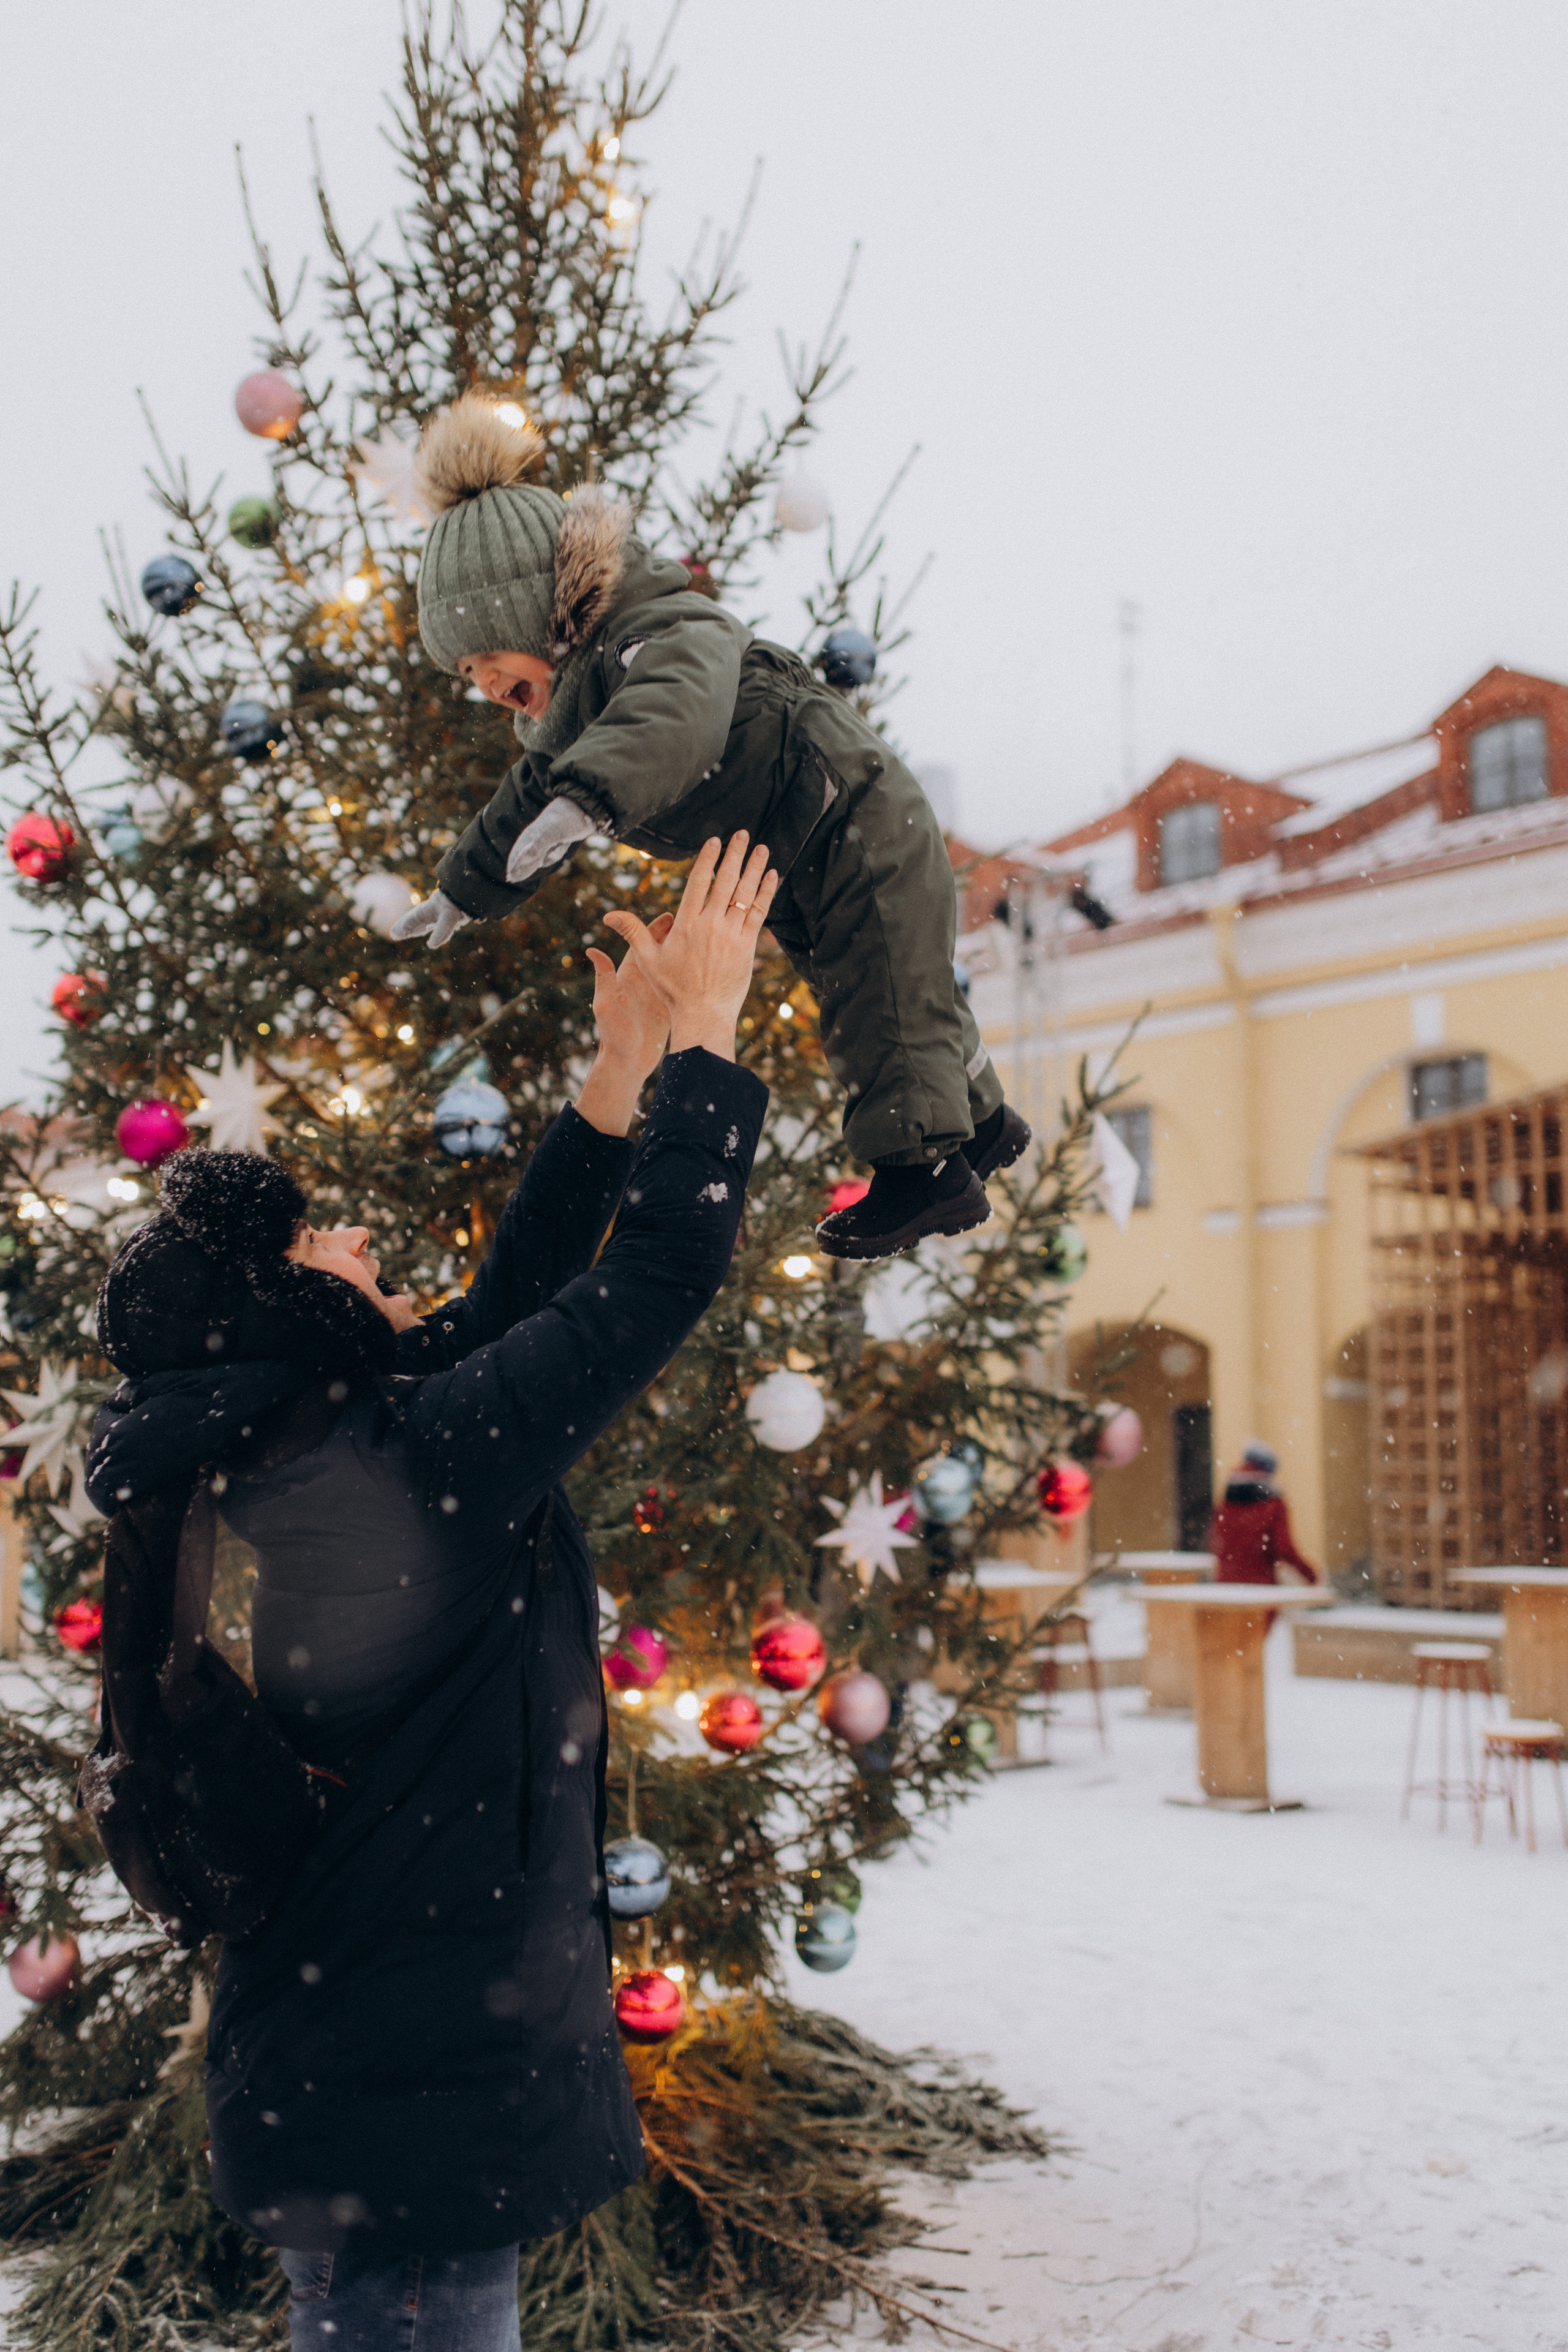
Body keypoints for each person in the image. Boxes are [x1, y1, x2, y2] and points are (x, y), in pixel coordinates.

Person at [84, 835, 778, 2352]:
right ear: (291, 1303)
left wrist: (619, 1074)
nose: (352, 1232)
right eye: (312, 1237)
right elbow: (646, 1282)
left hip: (381, 2065)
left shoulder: (345, 1441)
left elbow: (518, 1293)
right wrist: (709, 1039)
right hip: (408, 2089)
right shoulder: (404, 1457)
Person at [386, 392, 1032, 1264]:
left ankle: (924, 1174)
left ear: (530, 611)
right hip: (798, 846)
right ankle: (984, 1126)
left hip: (851, 809)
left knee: (882, 986)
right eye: (464, 670)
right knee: (884, 983)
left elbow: (672, 712)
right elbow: (525, 793)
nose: (479, 681)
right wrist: (463, 887)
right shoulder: (570, 709)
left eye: (484, 656)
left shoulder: (658, 633)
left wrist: (592, 796)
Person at [1205, 1441, 1319, 1585]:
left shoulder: (1226, 1502)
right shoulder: (1274, 1504)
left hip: (1226, 1588)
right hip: (1260, 1587)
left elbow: (1215, 1543)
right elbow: (1284, 1548)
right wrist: (1311, 1575)